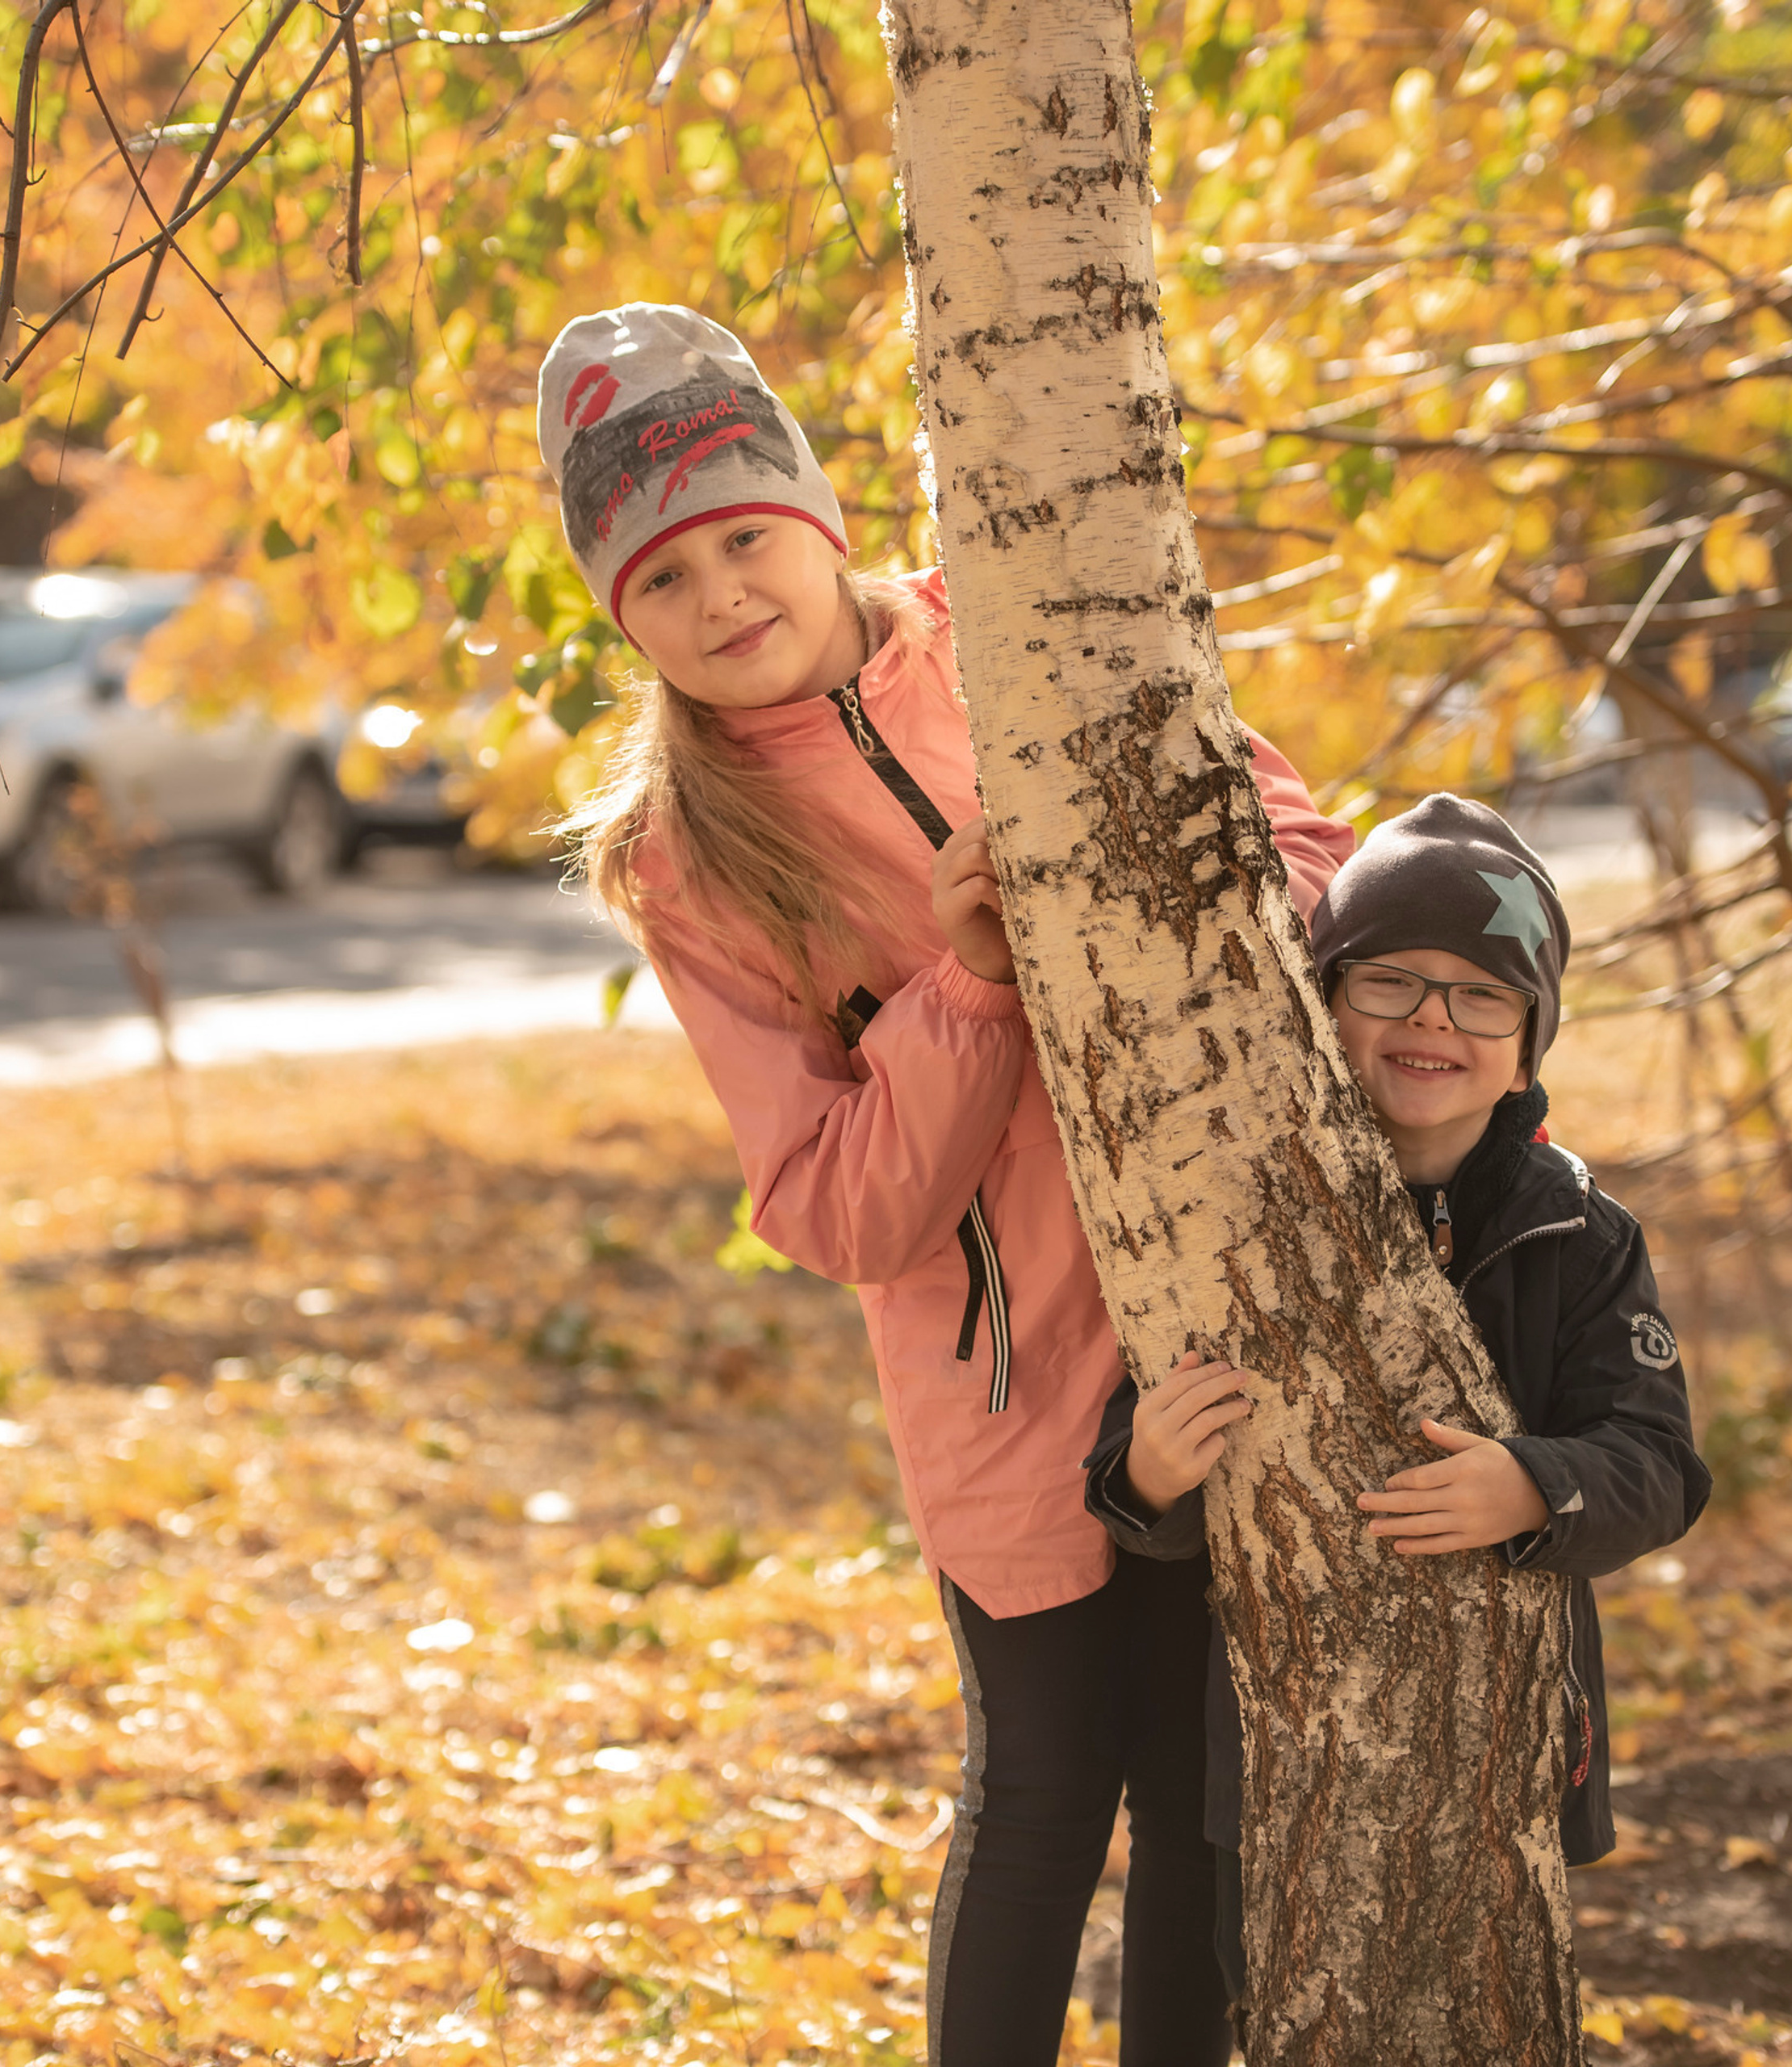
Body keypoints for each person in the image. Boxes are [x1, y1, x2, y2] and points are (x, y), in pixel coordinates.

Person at [536, 302, 1356, 2066]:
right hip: (1002, 1383)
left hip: (1220, 1299)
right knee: (1052, 1788)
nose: (721, 599)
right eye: (659, 581)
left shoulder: (1020, 621)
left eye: (744, 536)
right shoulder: (685, 857)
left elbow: (1285, 824)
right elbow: (833, 1208)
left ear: (815, 516)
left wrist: (1230, 924)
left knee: (1204, 1801)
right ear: (620, 615)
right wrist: (971, 986)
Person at [1082, 793, 1712, 2005]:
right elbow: (1131, 1462)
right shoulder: (1239, 1218)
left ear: (1530, 1042)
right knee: (1272, 1985)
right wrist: (1148, 1472)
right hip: (1278, 1735)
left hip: (1498, 1733)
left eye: (1483, 994)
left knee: (1467, 1991)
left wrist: (1535, 1482)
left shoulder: (1579, 1233)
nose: (1433, 1018)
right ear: (1324, 1003)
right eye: (1390, 982)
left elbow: (1659, 1461)